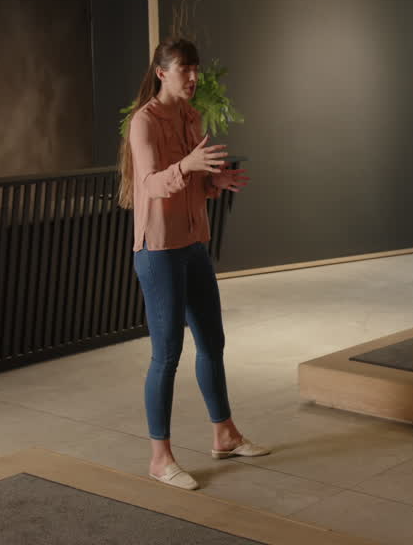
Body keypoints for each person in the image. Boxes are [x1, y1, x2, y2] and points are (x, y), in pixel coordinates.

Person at [118, 38, 269, 490]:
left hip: (194, 244)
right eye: (185, 69)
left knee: (212, 341)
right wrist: (189, 165)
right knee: (166, 354)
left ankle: (224, 434)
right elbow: (152, 184)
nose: (193, 77)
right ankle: (159, 457)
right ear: (162, 72)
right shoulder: (143, 123)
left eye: (196, 69)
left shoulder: (190, 116)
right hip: (159, 250)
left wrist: (214, 181)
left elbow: (191, 184)